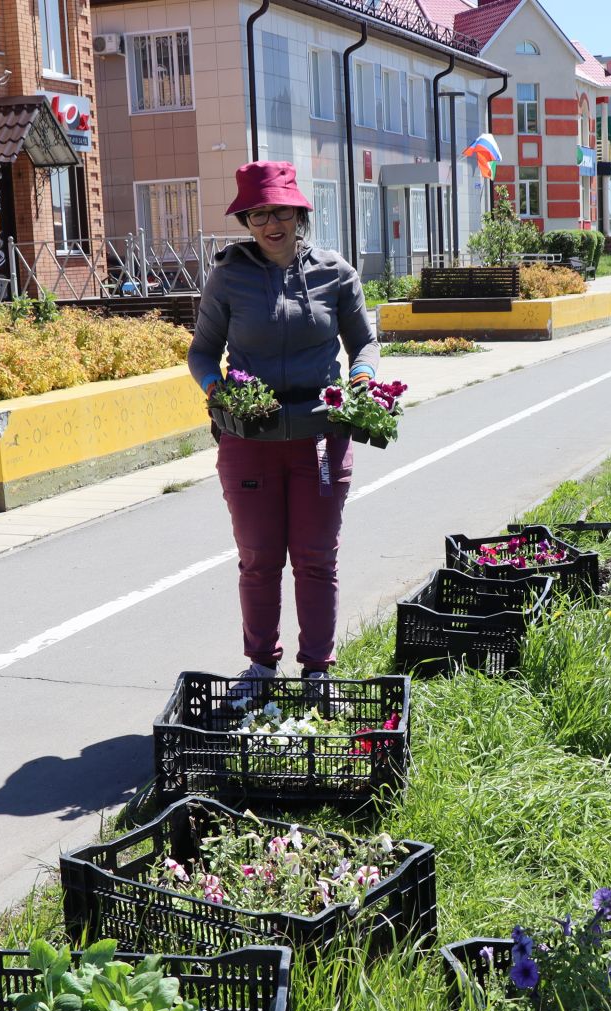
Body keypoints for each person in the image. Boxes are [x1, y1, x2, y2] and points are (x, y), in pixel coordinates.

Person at [187, 161, 378, 702]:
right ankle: (261, 668)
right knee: (259, 558)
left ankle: (318, 671)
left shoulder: (335, 271)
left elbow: (364, 341)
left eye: (280, 211)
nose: (271, 223)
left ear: (300, 212)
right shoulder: (229, 277)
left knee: (316, 558)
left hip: (319, 440)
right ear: (247, 220)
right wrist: (215, 390)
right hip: (250, 443)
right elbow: (201, 351)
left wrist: (362, 376)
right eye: (258, 213)